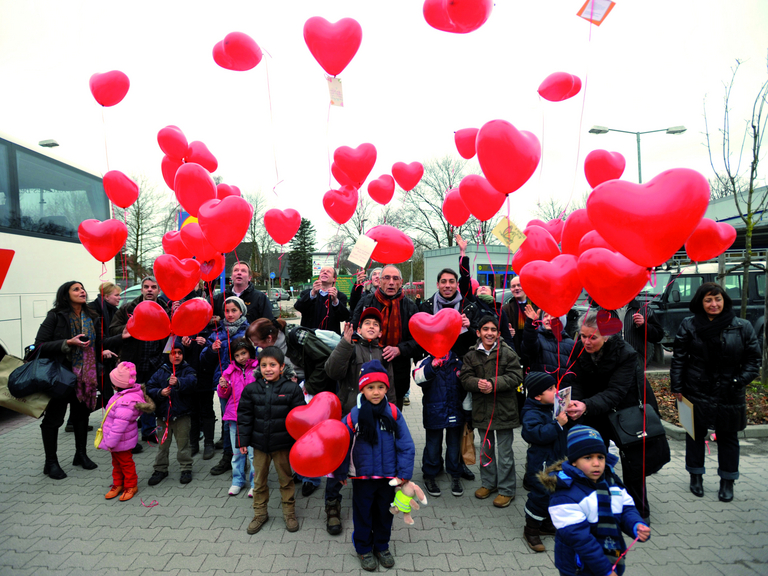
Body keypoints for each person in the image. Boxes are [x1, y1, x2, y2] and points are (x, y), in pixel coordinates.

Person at [565, 310, 670, 521]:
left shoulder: (626, 354)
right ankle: (598, 505)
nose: (586, 341)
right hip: (595, 410)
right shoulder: (579, 348)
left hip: (626, 410)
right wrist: (576, 401)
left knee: (633, 464)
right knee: (594, 458)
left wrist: (585, 405)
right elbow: (574, 377)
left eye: (592, 337)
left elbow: (616, 392)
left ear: (607, 335)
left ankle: (639, 512)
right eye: (583, 336)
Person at [670, 282, 760, 502]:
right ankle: (696, 476)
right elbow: (679, 358)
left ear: (724, 301)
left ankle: (727, 482)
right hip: (696, 388)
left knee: (729, 437)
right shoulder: (689, 325)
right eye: (708, 300)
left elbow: (753, 360)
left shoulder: (742, 326)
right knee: (695, 434)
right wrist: (677, 387)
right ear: (700, 302)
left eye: (717, 299)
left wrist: (739, 380)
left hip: (730, 389)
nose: (713, 304)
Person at [35, 281, 124, 480]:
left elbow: (98, 344)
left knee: (81, 416)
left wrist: (121, 338)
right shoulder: (56, 316)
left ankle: (80, 454)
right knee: (54, 420)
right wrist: (67, 343)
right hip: (61, 376)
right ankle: (51, 462)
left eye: (82, 288)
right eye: (76, 289)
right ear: (65, 295)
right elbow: (39, 345)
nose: (82, 291)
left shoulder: (92, 316)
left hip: (85, 376)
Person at [541, 425, 650, 576]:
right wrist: (605, 570)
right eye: (588, 457)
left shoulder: (611, 481)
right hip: (579, 567)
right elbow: (581, 540)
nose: (596, 463)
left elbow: (626, 508)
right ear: (574, 461)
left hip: (612, 557)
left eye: (600, 457)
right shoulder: (564, 495)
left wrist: (635, 525)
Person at [339, 360, 415, 571]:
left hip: (388, 477)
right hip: (362, 477)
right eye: (370, 387)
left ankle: (381, 546)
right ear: (362, 388)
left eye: (380, 387)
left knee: (384, 514)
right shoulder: (354, 415)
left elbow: (406, 443)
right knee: (363, 514)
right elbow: (341, 444)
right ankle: (363, 548)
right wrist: (340, 471)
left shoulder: (392, 413)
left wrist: (404, 472)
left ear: (386, 388)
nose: (375, 392)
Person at [236, 346, 305, 534]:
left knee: (286, 480)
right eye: (264, 365)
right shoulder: (251, 389)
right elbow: (244, 416)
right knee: (258, 482)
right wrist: (242, 441)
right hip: (259, 446)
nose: (268, 369)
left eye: (273, 365)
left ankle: (289, 513)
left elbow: (301, 417)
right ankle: (260, 514)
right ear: (259, 367)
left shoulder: (292, 389)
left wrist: (300, 442)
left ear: (281, 367)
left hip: (283, 445)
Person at [460, 315, 524, 508]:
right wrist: (476, 383)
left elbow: (516, 376)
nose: (489, 333)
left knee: (505, 453)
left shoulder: (507, 353)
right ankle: (489, 483)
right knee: (486, 450)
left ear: (499, 333)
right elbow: (464, 377)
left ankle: (506, 489)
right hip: (483, 411)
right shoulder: (471, 354)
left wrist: (493, 384)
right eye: (485, 329)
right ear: (478, 332)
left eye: (493, 330)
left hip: (504, 410)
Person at [350, 265, 421, 410]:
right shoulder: (366, 302)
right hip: (368, 367)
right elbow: (354, 332)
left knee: (393, 415)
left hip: (398, 370)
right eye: (387, 278)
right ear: (380, 281)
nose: (391, 282)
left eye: (395, 279)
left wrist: (399, 349)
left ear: (401, 282)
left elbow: (419, 342)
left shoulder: (410, 307)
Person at [110, 276, 171, 445]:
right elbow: (113, 329)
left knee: (152, 396)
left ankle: (150, 432)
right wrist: (128, 327)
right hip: (133, 360)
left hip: (155, 360)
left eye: (153, 287)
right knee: (130, 400)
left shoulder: (165, 309)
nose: (149, 290)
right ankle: (127, 436)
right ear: (142, 289)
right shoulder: (128, 308)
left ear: (159, 290)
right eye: (146, 287)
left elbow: (171, 333)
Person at [200, 296, 250, 476]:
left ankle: (245, 456)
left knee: (245, 420)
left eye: (234, 310)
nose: (229, 314)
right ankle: (228, 456)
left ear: (241, 312)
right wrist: (212, 349)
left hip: (245, 383)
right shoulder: (216, 333)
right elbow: (204, 360)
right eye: (227, 311)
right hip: (224, 384)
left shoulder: (248, 331)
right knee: (228, 420)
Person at [520, 372, 568, 552]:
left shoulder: (550, 407)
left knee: (554, 492)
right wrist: (557, 424)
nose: (555, 391)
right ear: (537, 396)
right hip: (541, 464)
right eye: (550, 389)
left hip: (556, 460)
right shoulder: (531, 412)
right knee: (540, 495)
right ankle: (531, 529)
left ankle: (546, 524)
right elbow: (533, 433)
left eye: (555, 387)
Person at [98, 361, 155, 502]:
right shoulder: (122, 394)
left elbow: (119, 425)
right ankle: (118, 483)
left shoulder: (126, 401)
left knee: (126, 463)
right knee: (116, 463)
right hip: (116, 438)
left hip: (120, 439)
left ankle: (130, 485)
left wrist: (110, 441)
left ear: (117, 385)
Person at [412, 350, 465, 498]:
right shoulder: (426, 361)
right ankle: (430, 474)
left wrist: (466, 410)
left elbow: (465, 387)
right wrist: (432, 367)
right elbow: (417, 378)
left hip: (455, 410)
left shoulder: (457, 361)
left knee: (454, 445)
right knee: (433, 445)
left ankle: (455, 474)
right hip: (434, 411)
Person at [146, 341, 197, 485]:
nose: (177, 356)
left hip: (182, 415)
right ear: (168, 355)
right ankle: (160, 469)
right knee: (163, 445)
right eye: (173, 353)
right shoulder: (160, 371)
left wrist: (179, 382)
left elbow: (192, 382)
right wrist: (160, 392)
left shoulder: (188, 370)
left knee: (183, 444)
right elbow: (149, 387)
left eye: (180, 353)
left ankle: (186, 467)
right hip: (163, 416)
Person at [247, 318, 335, 395]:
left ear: (269, 338)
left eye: (256, 342)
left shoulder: (298, 338)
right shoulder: (270, 348)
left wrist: (309, 386)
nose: (255, 345)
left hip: (314, 387)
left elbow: (326, 359)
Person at [218, 337, 258, 498]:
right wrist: (223, 386)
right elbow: (224, 394)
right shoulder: (229, 371)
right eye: (237, 355)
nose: (242, 357)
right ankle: (237, 480)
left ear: (250, 352)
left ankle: (256, 484)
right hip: (234, 416)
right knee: (237, 453)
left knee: (253, 453)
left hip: (253, 416)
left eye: (244, 353)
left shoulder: (257, 369)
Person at [520, 306, 576, 386]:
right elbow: (529, 346)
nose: (549, 319)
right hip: (541, 391)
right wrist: (530, 324)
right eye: (545, 316)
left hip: (563, 392)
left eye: (553, 317)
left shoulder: (571, 344)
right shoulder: (537, 337)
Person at [295, 266, 350, 335]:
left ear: (334, 279)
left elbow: (344, 317)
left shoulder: (340, 296)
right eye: (322, 271)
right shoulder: (307, 293)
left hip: (329, 339)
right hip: (309, 337)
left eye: (328, 271)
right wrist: (312, 294)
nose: (324, 272)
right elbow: (298, 307)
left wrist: (335, 301)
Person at [623, 299, 664, 366]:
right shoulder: (603, 309)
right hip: (610, 365)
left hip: (636, 363)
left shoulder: (644, 309)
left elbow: (658, 336)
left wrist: (644, 325)